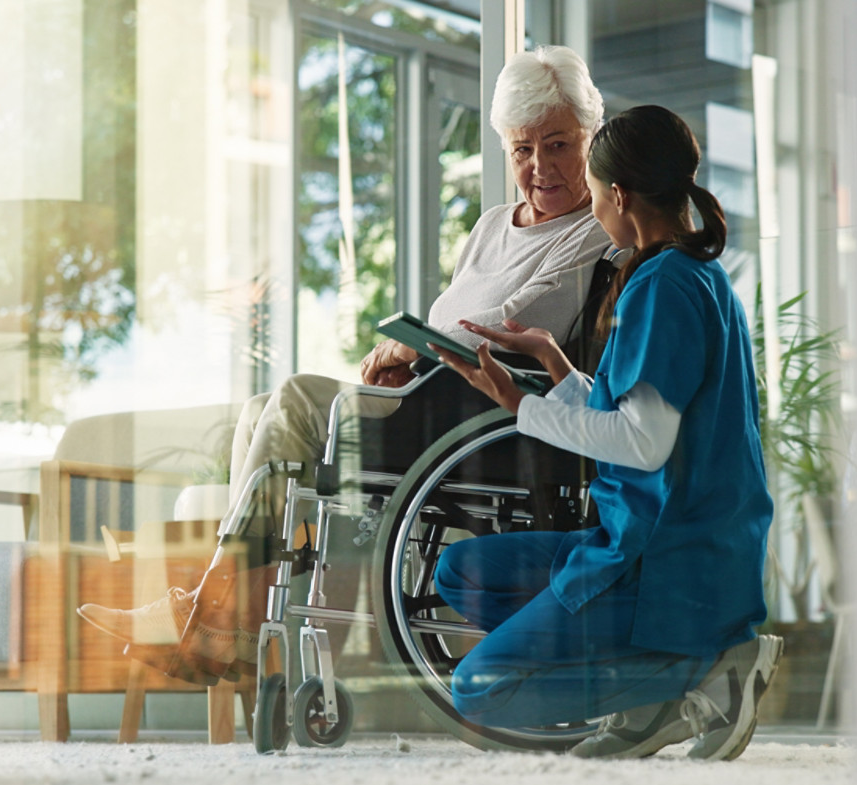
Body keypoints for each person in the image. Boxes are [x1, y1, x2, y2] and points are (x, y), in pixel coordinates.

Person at [77, 45, 613, 684]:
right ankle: (230, 627)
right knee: (258, 413)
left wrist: (421, 349)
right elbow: (458, 318)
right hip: (434, 399)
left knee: (301, 397)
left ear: (592, 138)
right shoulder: (494, 224)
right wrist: (410, 366)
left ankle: (202, 612)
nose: (539, 167)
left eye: (557, 145)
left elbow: (517, 326)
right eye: (522, 150)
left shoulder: (595, 230)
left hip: (487, 417)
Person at [429, 104, 780, 760]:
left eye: (592, 196)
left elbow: (644, 444)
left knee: (480, 688)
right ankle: (645, 700)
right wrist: (556, 366)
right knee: (460, 571)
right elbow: (642, 417)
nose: (591, 211)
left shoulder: (661, 288)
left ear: (619, 195)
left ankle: (703, 671)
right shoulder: (695, 276)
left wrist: (520, 408)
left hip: (663, 560)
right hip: (647, 536)